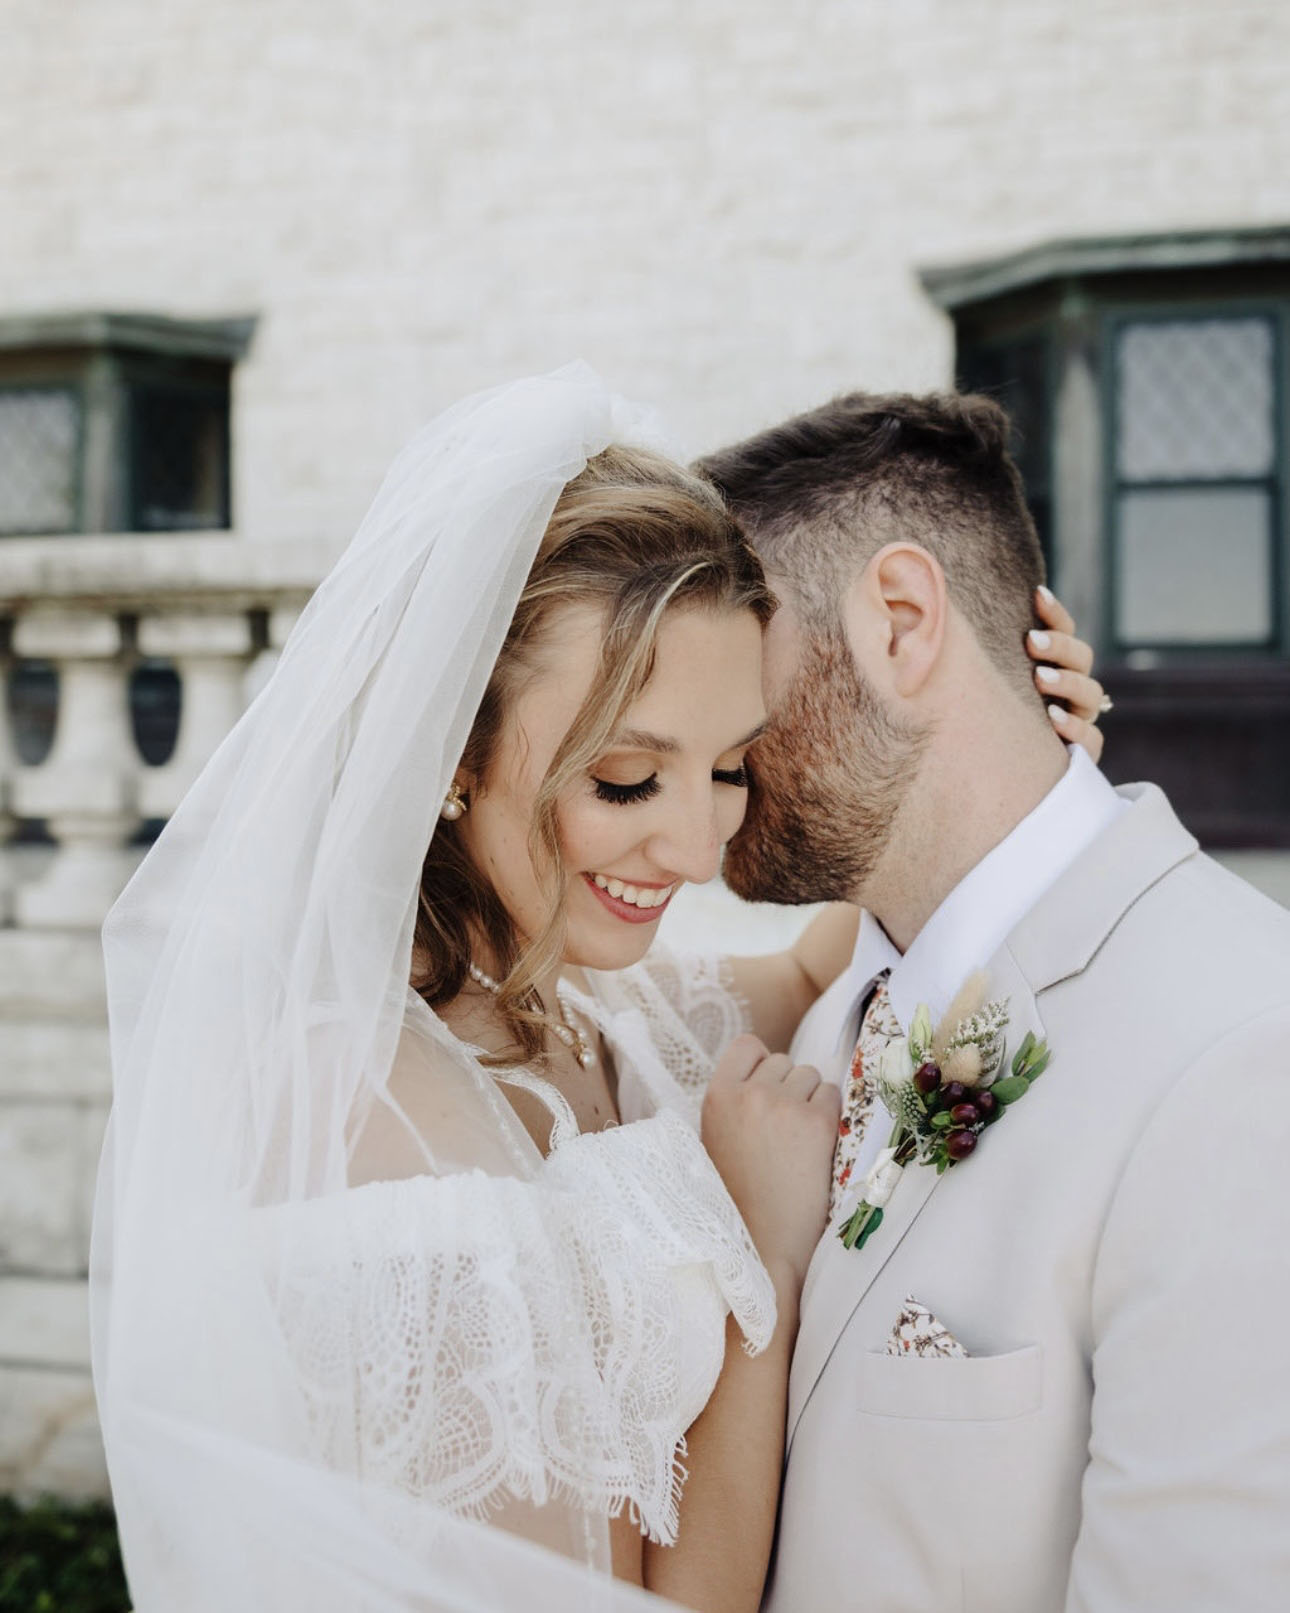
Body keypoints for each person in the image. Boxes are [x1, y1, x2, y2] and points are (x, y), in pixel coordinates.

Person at [91, 367, 1104, 1613]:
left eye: (728, 766)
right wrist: (762, 1277)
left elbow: (817, 967)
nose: (694, 847)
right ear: (454, 754)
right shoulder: (381, 1143)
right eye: (626, 779)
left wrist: (1009, 747)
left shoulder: (590, 1012)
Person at [699, 388, 1290, 1613]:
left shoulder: (1242, 1055)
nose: (696, 729)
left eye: (727, 655)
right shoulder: (827, 1013)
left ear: (901, 623)